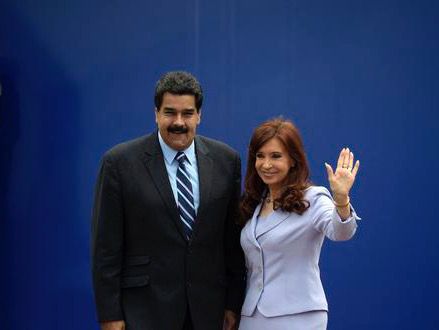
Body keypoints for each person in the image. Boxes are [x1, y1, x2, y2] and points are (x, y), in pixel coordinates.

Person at [91, 71, 245, 330]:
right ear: (156, 113)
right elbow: (105, 249)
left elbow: (231, 242)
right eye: (169, 112)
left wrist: (233, 303)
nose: (178, 122)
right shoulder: (119, 163)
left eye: (187, 113)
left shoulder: (226, 161)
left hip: (208, 312)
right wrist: (110, 315)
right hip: (143, 313)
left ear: (199, 115)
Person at [238, 118, 361, 330]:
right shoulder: (254, 204)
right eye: (260, 156)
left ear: (293, 160)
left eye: (276, 156)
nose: (266, 164)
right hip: (252, 316)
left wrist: (341, 200)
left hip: (299, 315)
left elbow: (341, 231)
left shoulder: (312, 198)